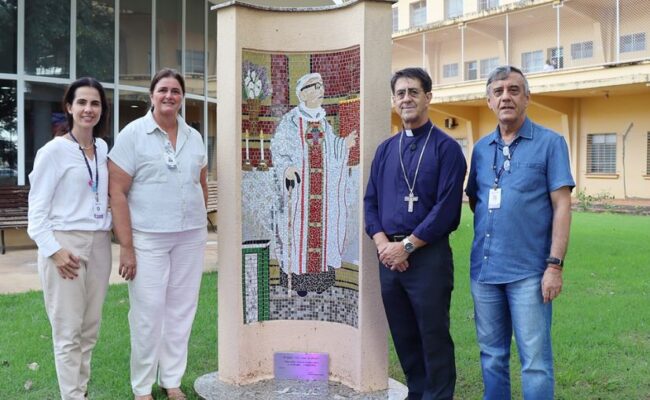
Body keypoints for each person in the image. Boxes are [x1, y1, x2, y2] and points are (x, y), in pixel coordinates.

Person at [465, 65, 574, 400]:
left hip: (530, 272)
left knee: (535, 362)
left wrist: (554, 266)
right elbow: (476, 200)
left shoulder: (550, 143)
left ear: (527, 97)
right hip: (484, 272)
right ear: (488, 101)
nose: (506, 97)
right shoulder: (481, 149)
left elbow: (562, 206)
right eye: (498, 92)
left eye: (514, 90)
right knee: (492, 356)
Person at [364, 67, 466, 400]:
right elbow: (370, 202)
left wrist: (406, 247)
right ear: (394, 101)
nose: (406, 98)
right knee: (404, 335)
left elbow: (447, 210)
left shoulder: (447, 149)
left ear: (428, 97)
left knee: (433, 336)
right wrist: (384, 245)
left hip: (428, 257)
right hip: (389, 259)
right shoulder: (385, 150)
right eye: (400, 93)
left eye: (413, 92)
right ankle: (417, 392)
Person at [108, 68, 208, 400]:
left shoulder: (194, 137)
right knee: (148, 313)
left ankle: (172, 380)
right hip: (148, 238)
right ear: (151, 95)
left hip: (190, 236)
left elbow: (201, 183)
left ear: (182, 97)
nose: (169, 95)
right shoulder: (133, 135)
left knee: (181, 311)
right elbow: (117, 192)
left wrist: (200, 219)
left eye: (175, 91)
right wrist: (126, 246)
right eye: (163, 89)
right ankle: (142, 387)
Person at [28, 77, 112, 400]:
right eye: (82, 102)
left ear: (102, 109)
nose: (89, 109)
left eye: (95, 103)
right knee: (67, 331)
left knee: (89, 330)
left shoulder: (102, 149)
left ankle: (81, 391)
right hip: (65, 244)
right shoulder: (53, 152)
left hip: (100, 243)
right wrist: (54, 251)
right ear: (69, 107)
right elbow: (36, 213)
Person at [271, 72, 356, 296]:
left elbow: (332, 149)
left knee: (323, 231)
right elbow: (279, 151)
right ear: (303, 94)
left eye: (321, 85)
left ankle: (320, 280)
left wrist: (343, 145)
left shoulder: (324, 122)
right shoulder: (290, 122)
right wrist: (287, 168)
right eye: (315, 86)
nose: (321, 90)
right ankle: (298, 280)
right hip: (300, 191)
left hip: (323, 192)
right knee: (297, 233)